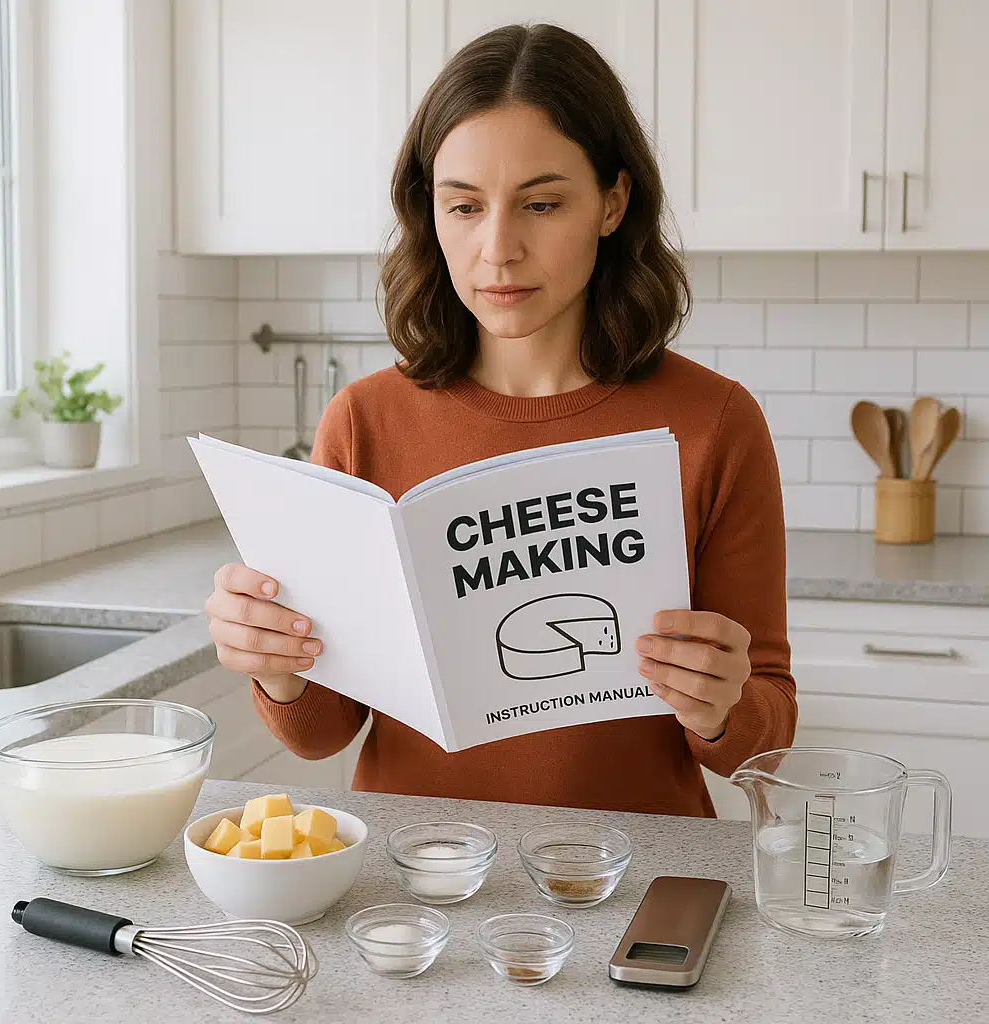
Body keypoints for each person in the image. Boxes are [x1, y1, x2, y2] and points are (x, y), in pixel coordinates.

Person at [205, 24, 796, 817]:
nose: (498, 250)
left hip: (637, 877)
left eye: (542, 204)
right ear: (431, 212)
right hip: (421, 883)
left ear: (612, 202)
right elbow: (324, 735)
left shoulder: (715, 423)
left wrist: (722, 706)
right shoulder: (364, 421)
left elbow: (768, 736)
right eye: (465, 206)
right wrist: (277, 667)